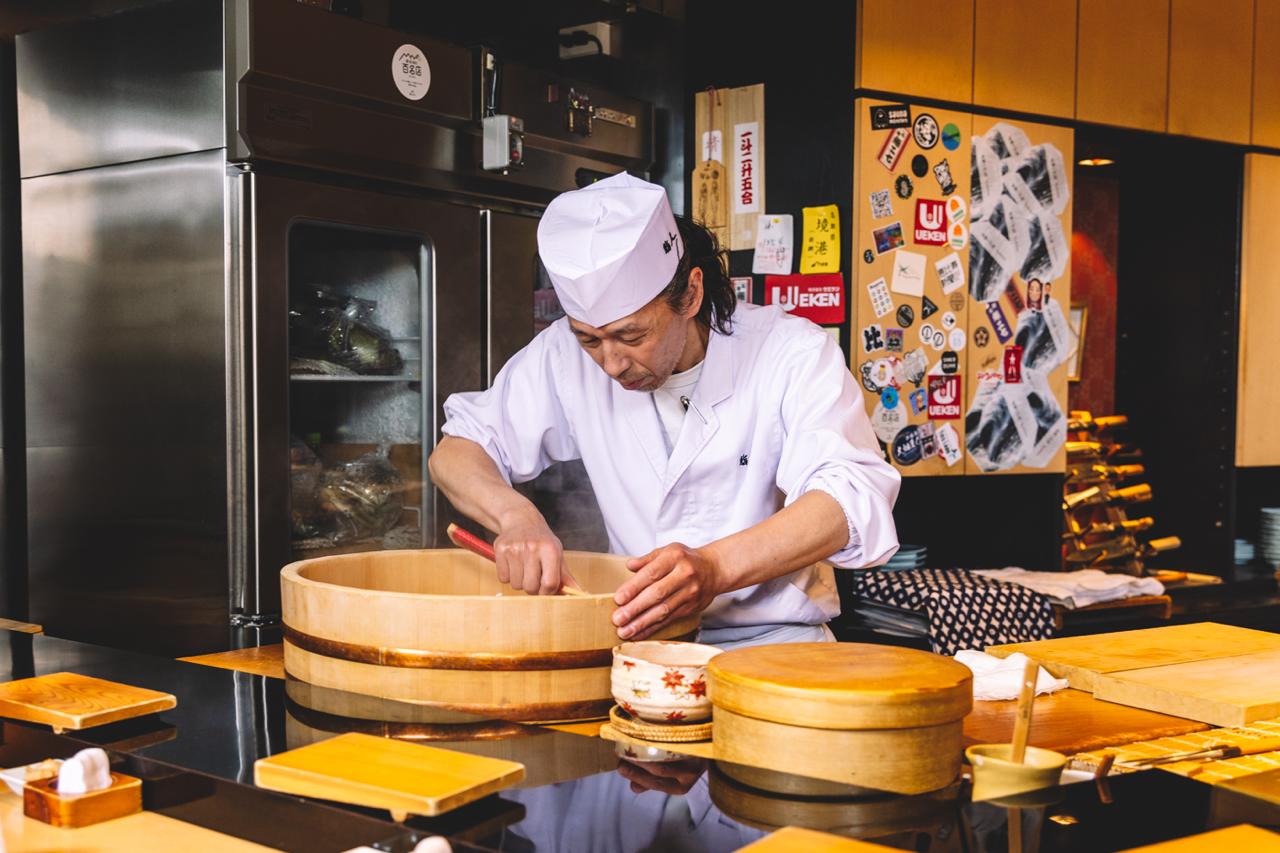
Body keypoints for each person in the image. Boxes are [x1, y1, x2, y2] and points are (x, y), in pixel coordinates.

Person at [429, 172, 900, 649]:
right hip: (642, 647)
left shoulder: (790, 352)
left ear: (691, 295)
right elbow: (459, 449)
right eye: (589, 339)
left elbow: (848, 498)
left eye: (632, 335)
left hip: (773, 646)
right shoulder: (563, 356)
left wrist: (715, 567)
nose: (611, 363)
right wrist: (515, 515)